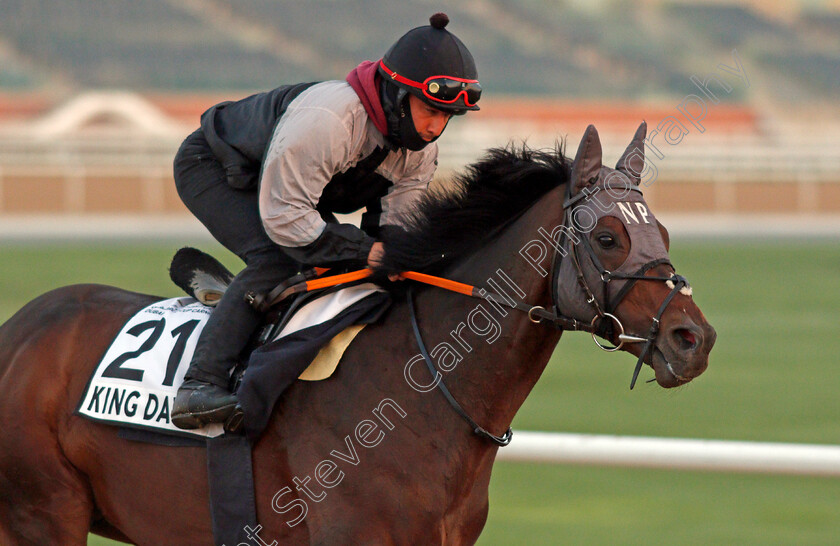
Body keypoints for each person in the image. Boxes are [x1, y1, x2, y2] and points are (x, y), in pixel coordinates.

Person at [171, 12, 482, 429]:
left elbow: (395, 233)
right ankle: (198, 385)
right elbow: (285, 220)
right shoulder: (332, 118)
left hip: (286, 189)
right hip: (216, 168)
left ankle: (254, 306)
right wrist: (362, 250)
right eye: (430, 110)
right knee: (278, 259)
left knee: (376, 271)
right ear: (394, 94)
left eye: (448, 117)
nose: (435, 127)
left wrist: (399, 259)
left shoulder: (419, 151)